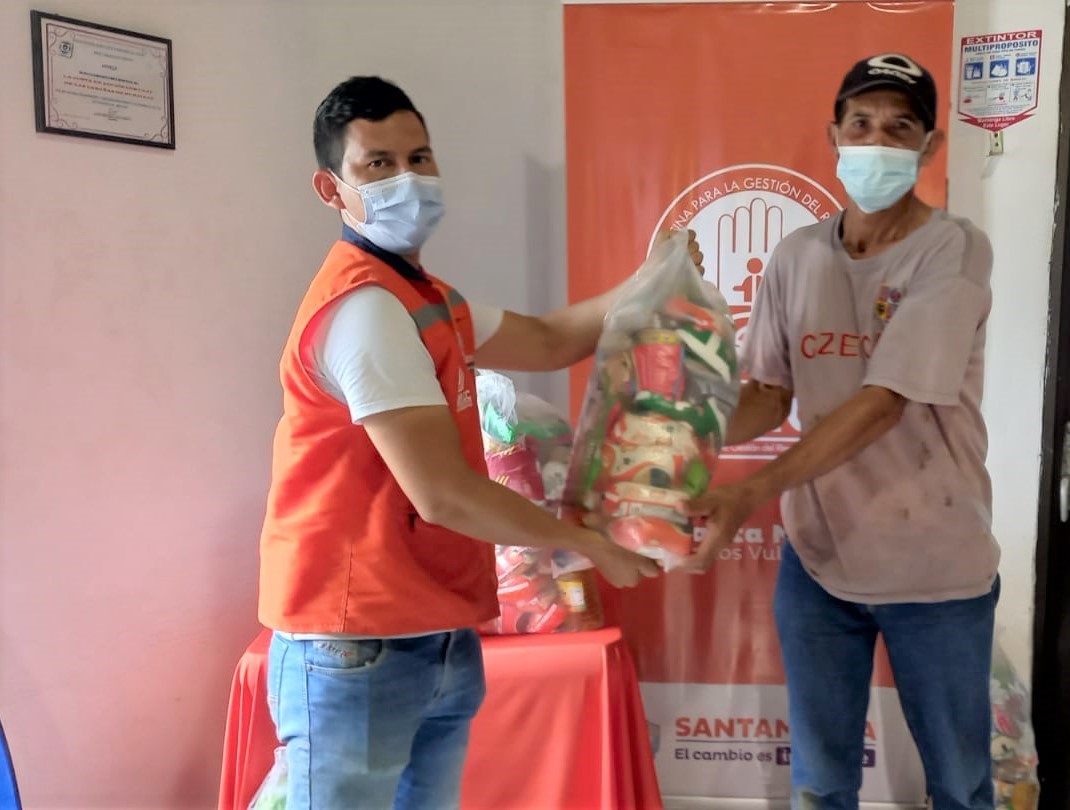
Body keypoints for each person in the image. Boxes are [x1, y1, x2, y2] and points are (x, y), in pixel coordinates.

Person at [257, 76, 697, 809]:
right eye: (378, 164)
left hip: (435, 628)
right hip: (355, 639)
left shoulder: (426, 296)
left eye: (419, 157)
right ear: (331, 189)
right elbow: (445, 495)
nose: (408, 180)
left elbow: (551, 339)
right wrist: (590, 544)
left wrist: (655, 280)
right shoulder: (364, 309)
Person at [681, 54, 1000, 809]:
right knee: (821, 785)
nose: (876, 141)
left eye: (899, 127)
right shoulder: (796, 256)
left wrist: (750, 491)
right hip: (818, 562)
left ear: (929, 146)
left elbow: (886, 400)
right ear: (834, 136)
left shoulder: (952, 248)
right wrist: (676, 431)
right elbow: (767, 394)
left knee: (958, 785)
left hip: (934, 565)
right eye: (861, 124)